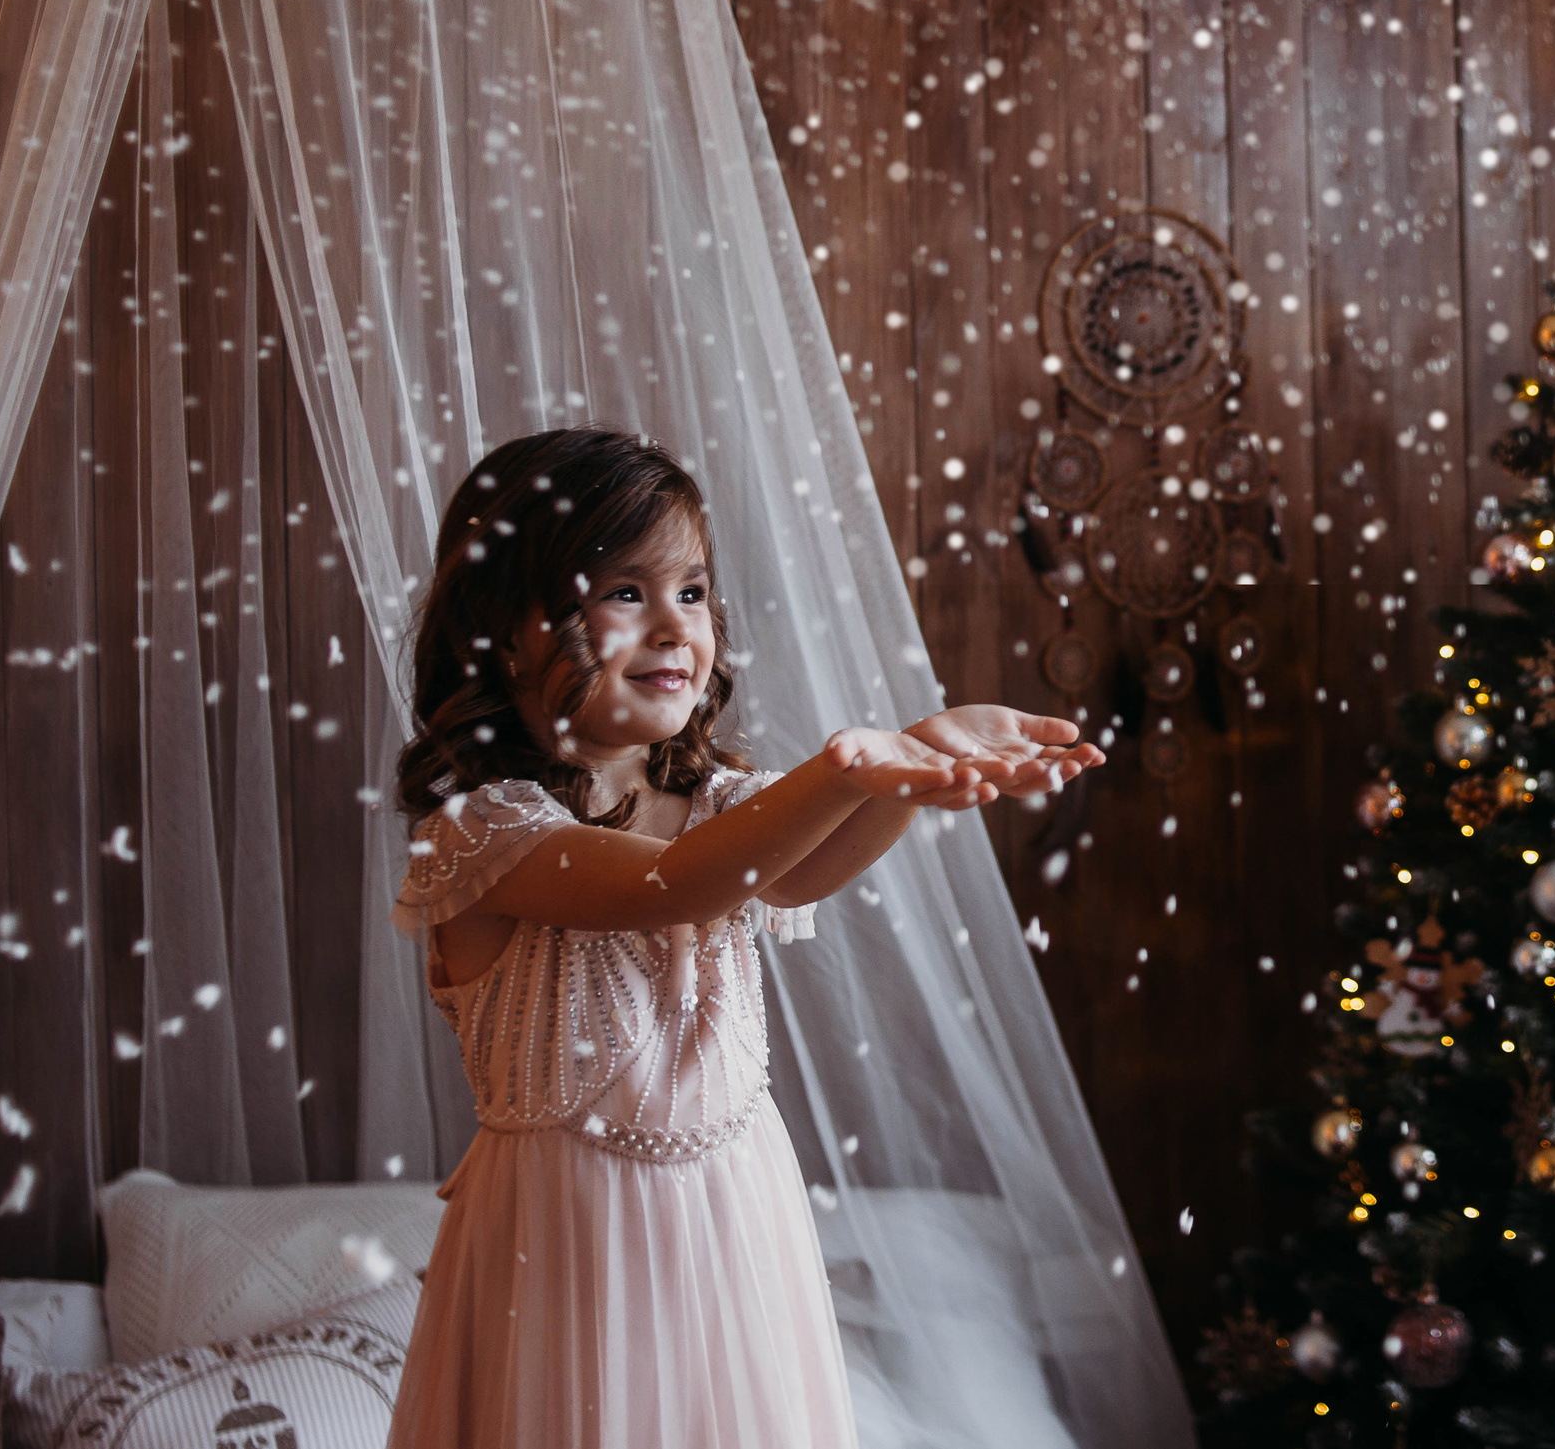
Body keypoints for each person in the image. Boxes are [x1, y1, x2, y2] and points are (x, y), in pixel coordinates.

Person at [382, 427, 1099, 1447]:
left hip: (737, 1216)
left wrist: (916, 763)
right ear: (506, 630)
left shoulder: (719, 803)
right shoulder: (484, 831)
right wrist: (850, 766)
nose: (675, 625)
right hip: (569, 1237)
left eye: (692, 590)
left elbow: (798, 868)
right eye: (624, 592)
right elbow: (673, 884)